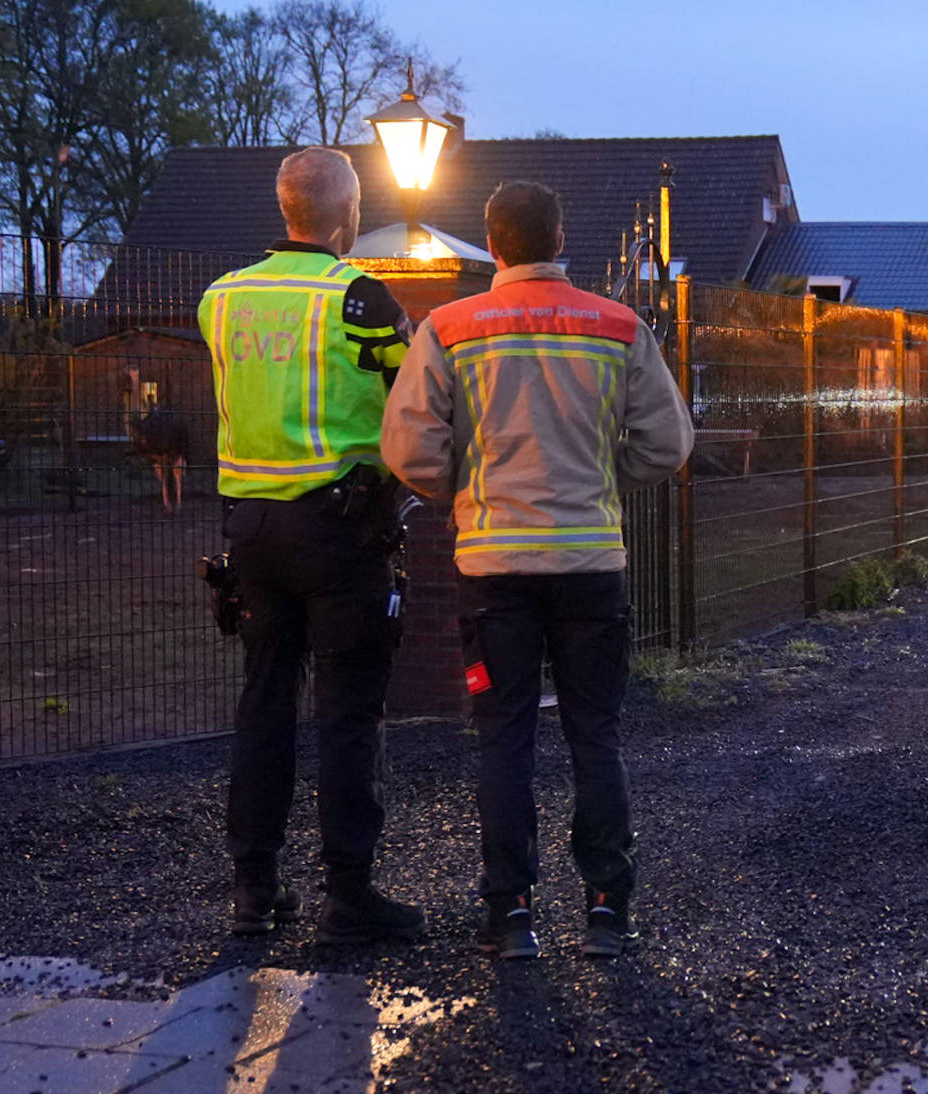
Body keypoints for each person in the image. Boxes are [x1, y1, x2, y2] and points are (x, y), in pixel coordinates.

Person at [381, 181, 693, 960]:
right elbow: (668, 443)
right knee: (597, 733)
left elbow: (410, 448)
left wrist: (467, 486)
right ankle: (606, 911)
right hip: (590, 564)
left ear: (492, 245)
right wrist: (603, 473)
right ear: (560, 240)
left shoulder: (449, 328)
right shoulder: (617, 326)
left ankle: (511, 914)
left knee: (504, 739)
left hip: (494, 567)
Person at [199, 146, 425, 944]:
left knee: (263, 702)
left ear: (284, 208)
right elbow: (417, 392)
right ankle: (347, 894)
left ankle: (253, 890)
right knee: (347, 709)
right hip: (338, 529)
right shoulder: (360, 300)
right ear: (349, 213)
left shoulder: (220, 300)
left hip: (250, 530)